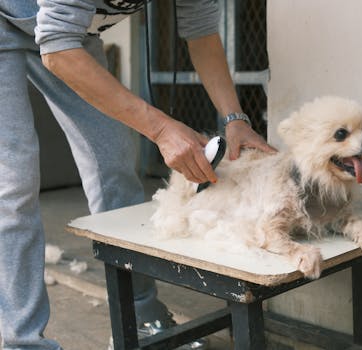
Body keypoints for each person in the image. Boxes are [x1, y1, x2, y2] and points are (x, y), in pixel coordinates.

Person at [0, 0, 275, 349]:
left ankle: (140, 313)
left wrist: (235, 119)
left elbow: (203, 35)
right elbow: (56, 48)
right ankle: (23, 342)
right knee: (13, 185)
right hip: (22, 26)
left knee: (112, 165)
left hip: (71, 34)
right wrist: (160, 129)